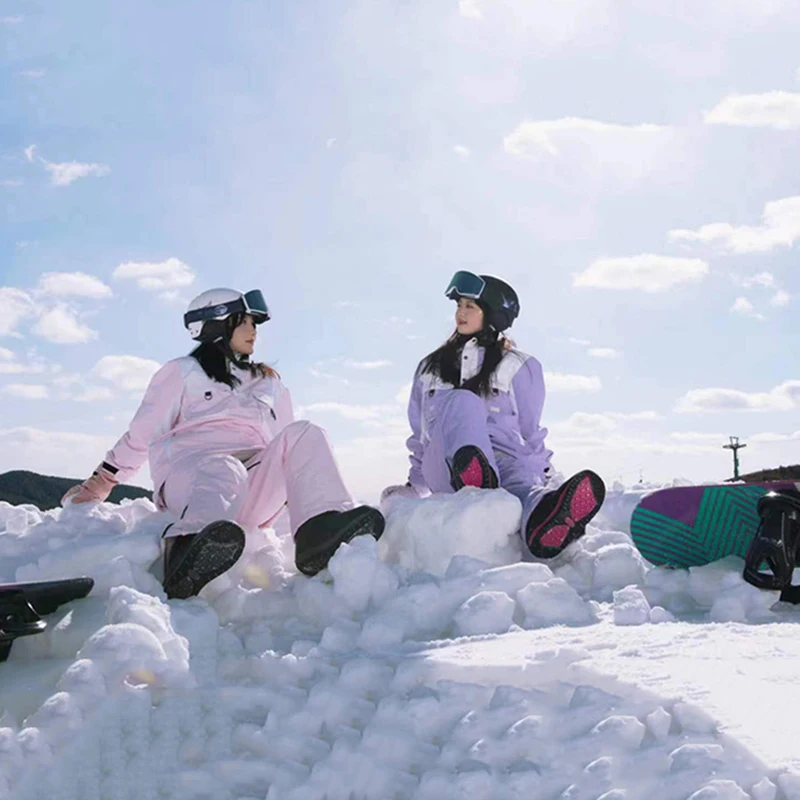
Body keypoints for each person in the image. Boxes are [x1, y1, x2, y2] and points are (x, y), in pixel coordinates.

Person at [63, 287, 384, 598]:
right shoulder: (182, 372)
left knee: (306, 433)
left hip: (249, 487)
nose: (253, 331)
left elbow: (286, 445)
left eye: (254, 323)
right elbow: (142, 432)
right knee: (223, 466)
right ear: (215, 325)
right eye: (242, 321)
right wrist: (102, 480)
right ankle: (187, 552)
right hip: (192, 483)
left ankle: (321, 530)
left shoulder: (269, 382)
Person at [382, 270, 605, 558]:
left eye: (469, 306)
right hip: (446, 463)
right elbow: (420, 434)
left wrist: (545, 475)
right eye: (458, 305)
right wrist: (415, 486)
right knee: (463, 401)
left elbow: (529, 431)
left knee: (524, 486)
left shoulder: (520, 366)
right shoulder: (430, 368)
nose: (460, 313)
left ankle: (544, 517)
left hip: (505, 461)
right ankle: (473, 477)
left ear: (492, 315)